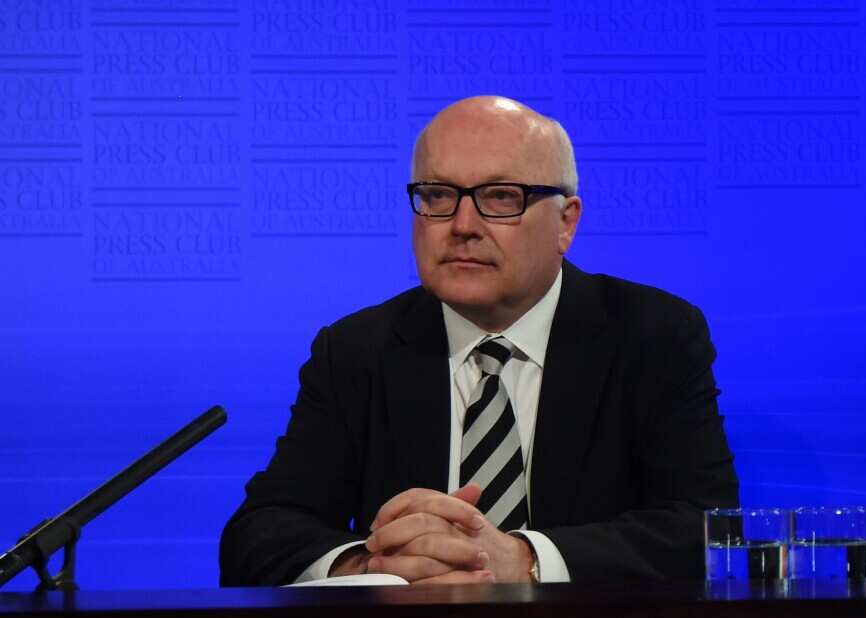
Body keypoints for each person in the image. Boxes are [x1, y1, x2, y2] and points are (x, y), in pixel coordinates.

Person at [219, 96, 738, 586]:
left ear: (566, 223)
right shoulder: (357, 350)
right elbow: (260, 532)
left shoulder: (652, 334)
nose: (463, 225)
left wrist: (524, 559)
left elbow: (706, 526)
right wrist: (371, 565)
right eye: (438, 196)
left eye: (500, 198)